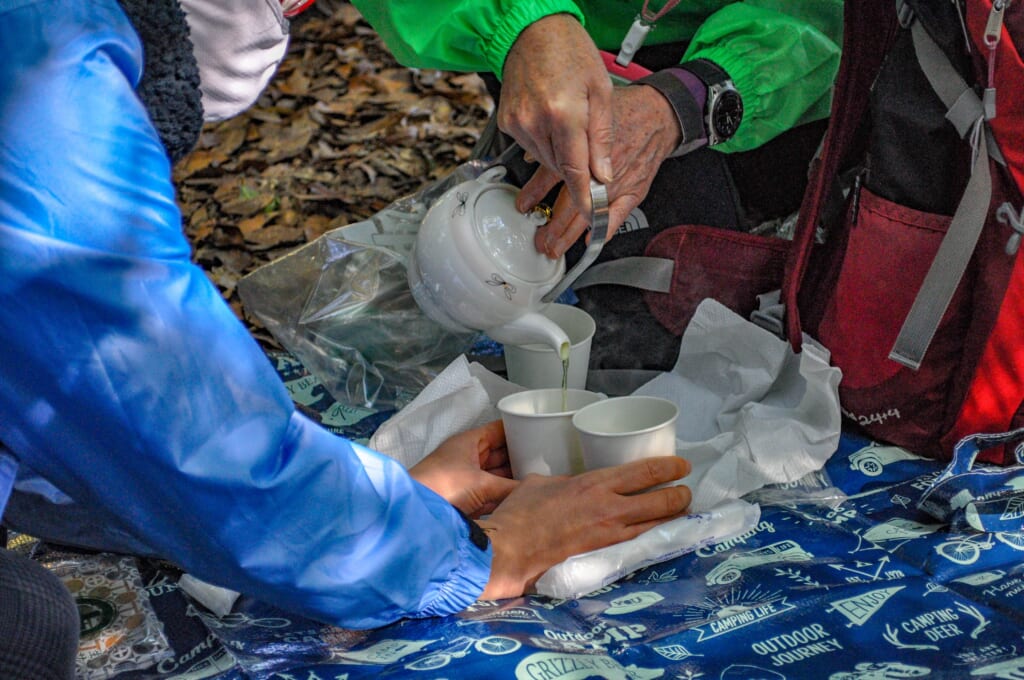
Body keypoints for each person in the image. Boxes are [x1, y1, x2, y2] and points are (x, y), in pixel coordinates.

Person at [0, 0, 693, 673]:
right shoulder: (47, 90)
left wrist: (373, 504)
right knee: (26, 626)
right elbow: (170, 424)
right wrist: (472, 555)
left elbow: (73, 417)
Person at [352, 1, 844, 369]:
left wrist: (692, 99)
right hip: (552, 44)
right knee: (543, 242)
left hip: (760, 69)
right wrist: (519, 22)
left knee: (705, 330)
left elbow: (833, 17)